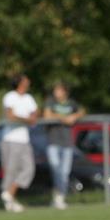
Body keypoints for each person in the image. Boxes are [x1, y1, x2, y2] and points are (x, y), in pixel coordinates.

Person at [41, 81, 84, 209]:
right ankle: (58, 196)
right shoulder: (50, 102)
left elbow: (82, 111)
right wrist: (63, 118)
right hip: (53, 141)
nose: (56, 92)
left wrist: (74, 116)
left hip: (67, 142)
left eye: (59, 90)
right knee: (56, 168)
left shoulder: (71, 103)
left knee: (64, 172)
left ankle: (59, 197)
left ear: (65, 92)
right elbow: (47, 115)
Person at [0, 73, 38, 212]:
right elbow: (10, 116)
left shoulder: (29, 98)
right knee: (11, 170)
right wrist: (26, 120)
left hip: (24, 140)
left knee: (29, 169)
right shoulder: (10, 96)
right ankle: (10, 202)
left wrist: (23, 119)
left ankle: (9, 193)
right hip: (10, 139)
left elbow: (34, 116)